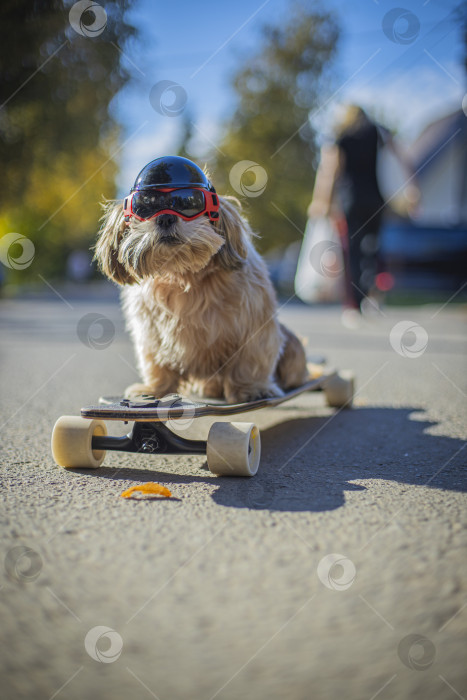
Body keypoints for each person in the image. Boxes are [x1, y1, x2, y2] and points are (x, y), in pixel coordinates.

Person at [307, 105, 418, 325]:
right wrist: (412, 187)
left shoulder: (341, 137)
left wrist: (322, 201)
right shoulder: (378, 132)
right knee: (374, 248)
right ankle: (373, 297)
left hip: (351, 202)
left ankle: (353, 306)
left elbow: (330, 172)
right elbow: (402, 156)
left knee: (353, 252)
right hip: (377, 200)